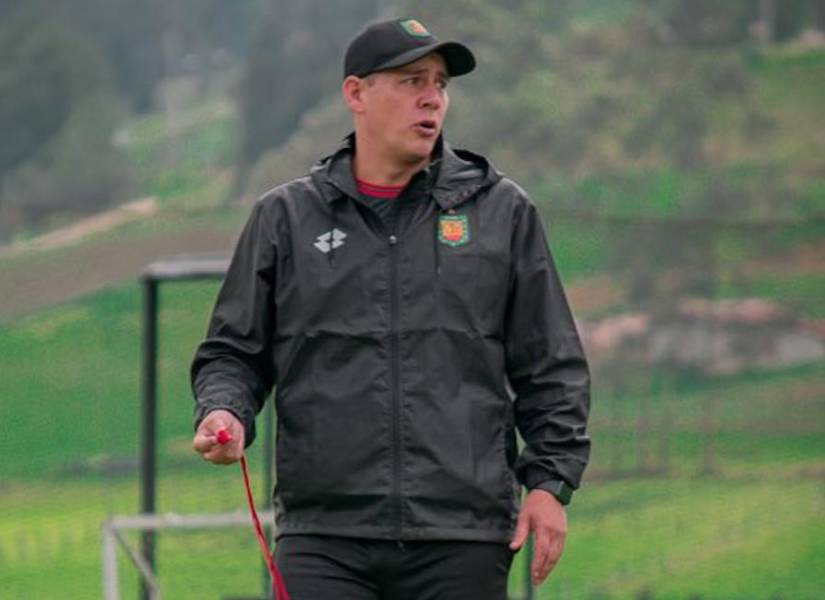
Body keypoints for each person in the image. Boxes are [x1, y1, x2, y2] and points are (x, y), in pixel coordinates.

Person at [191, 16, 590, 600]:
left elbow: (550, 364)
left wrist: (549, 483)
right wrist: (223, 412)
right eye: (410, 81)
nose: (431, 97)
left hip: (462, 535)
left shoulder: (502, 212)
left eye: (440, 84)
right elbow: (232, 352)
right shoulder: (285, 219)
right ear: (356, 93)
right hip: (323, 536)